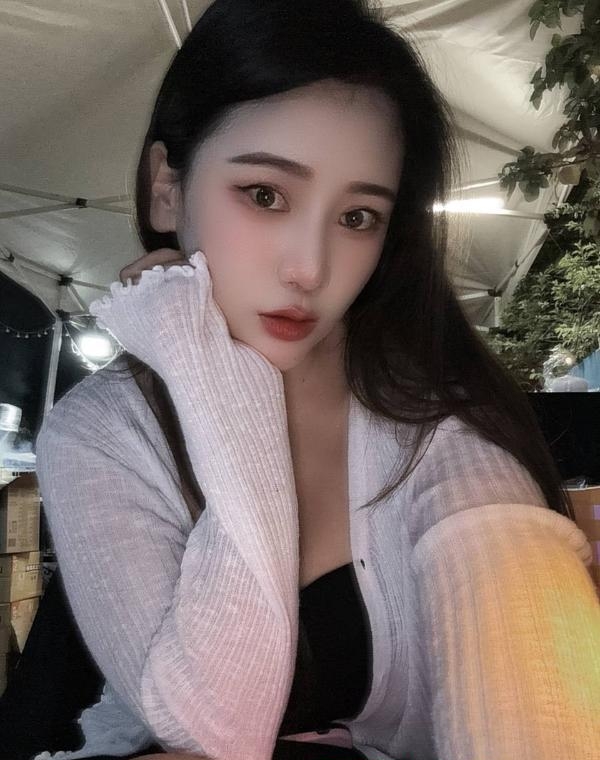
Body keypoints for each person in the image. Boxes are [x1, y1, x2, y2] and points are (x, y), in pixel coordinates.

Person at [33, 0, 600, 759]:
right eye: (265, 195)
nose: (310, 269)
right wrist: (219, 385)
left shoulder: (438, 424)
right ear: (166, 186)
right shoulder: (99, 434)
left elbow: (526, 686)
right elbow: (207, 730)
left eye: (358, 217)